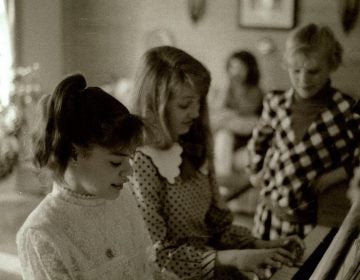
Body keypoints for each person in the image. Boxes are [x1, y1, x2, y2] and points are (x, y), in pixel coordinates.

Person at [129, 46, 303, 280]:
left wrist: (261, 245)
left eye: (199, 102)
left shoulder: (194, 145)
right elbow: (157, 256)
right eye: (184, 104)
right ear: (154, 105)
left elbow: (219, 226)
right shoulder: (140, 161)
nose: (195, 112)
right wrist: (231, 258)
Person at [16, 74, 157, 279]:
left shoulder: (124, 198)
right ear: (74, 153)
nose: (130, 171)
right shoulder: (40, 235)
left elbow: (150, 272)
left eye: (129, 158)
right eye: (116, 162)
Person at [246, 23, 360, 241]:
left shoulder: (345, 109)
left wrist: (340, 173)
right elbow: (258, 141)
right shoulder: (275, 101)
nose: (303, 80)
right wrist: (254, 171)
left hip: (312, 218)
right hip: (270, 212)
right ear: (287, 65)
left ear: (331, 65)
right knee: (266, 267)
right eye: (296, 70)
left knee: (302, 269)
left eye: (313, 71)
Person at [211, 50, 263, 177]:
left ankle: (223, 177)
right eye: (232, 66)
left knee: (224, 125)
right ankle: (222, 178)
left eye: (240, 67)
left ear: (249, 70)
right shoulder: (227, 88)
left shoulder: (255, 91)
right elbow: (216, 108)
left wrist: (227, 116)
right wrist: (224, 88)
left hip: (247, 135)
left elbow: (245, 115)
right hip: (229, 134)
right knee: (223, 134)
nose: (235, 71)